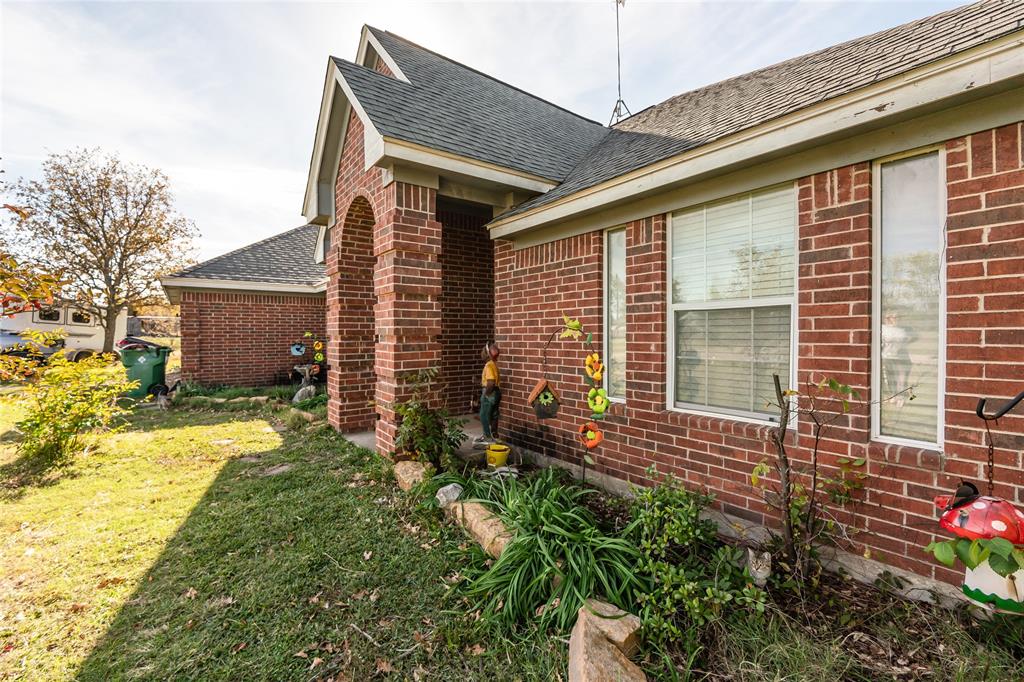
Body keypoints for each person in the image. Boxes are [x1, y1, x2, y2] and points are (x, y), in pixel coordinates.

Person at [475, 341, 501, 447]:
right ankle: (494, 434)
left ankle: (487, 436)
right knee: (494, 414)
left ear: (486, 354)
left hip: (491, 393)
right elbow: (489, 381)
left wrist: (485, 395)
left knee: (484, 415)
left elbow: (490, 382)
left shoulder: (488, 366)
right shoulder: (494, 365)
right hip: (497, 392)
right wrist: (478, 381)